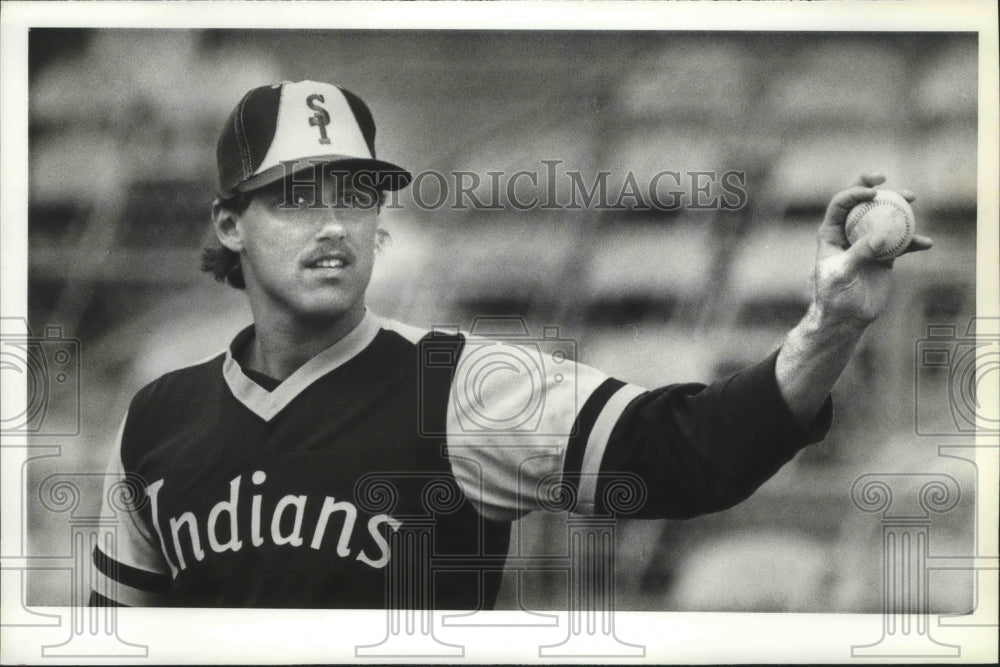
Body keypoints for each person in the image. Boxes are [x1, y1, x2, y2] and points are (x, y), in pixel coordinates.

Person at [89, 80, 931, 608]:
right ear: (231, 224)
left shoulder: (465, 385)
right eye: (298, 197)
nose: (337, 223)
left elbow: (692, 451)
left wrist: (833, 321)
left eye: (357, 192)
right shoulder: (156, 419)